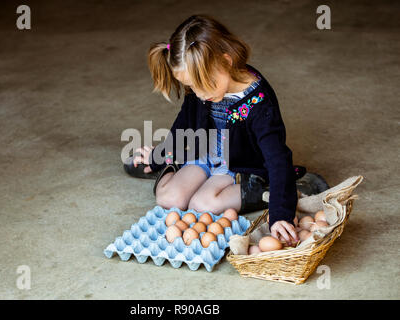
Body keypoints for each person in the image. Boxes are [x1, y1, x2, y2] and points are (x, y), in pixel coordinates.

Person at [129, 14, 327, 245]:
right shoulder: (202, 84)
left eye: (204, 85)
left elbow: (277, 157)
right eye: (192, 87)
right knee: (168, 198)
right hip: (206, 154)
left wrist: (281, 213)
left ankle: (273, 191)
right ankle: (175, 165)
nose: (200, 94)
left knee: (202, 205)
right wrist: (160, 155)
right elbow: (184, 122)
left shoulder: (259, 104)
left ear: (226, 61)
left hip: (238, 166)